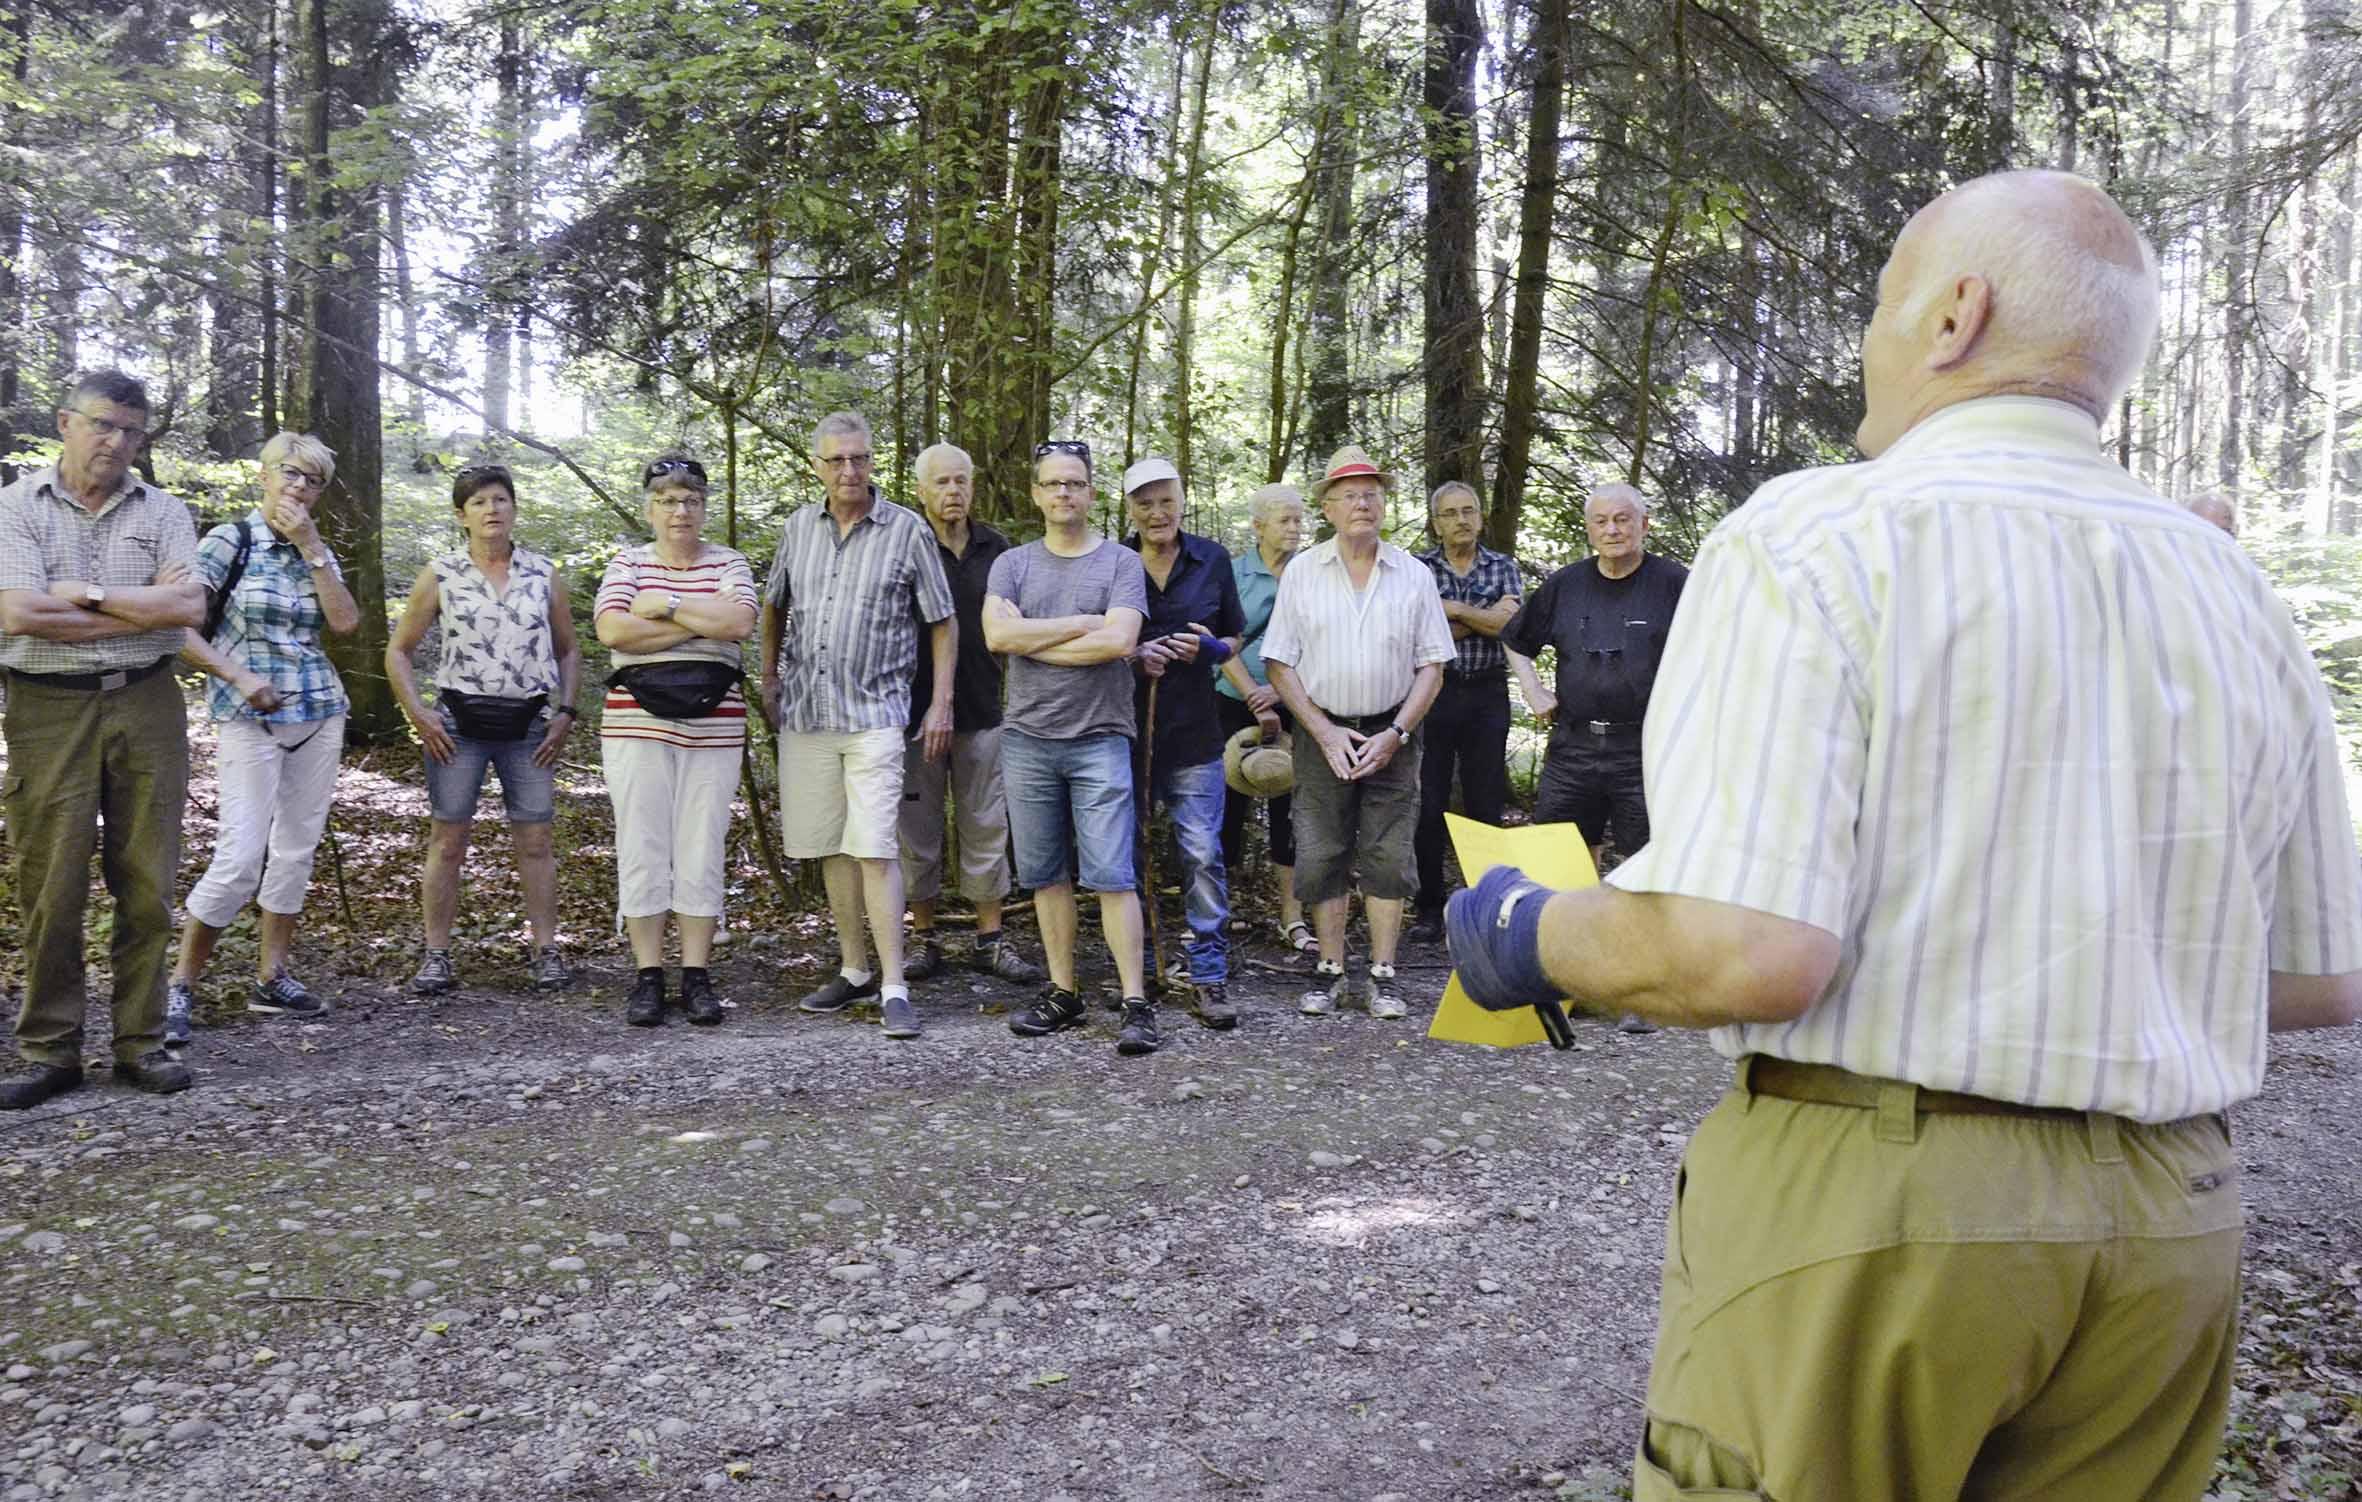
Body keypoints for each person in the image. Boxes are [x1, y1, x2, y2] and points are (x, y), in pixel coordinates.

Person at [1447, 169, 2362, 1501]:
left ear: (1953, 317)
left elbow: (1747, 947)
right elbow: (2321, 978)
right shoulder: (2230, 588)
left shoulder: (1820, 537)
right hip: (2172, 1222)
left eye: (1881, 306)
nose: (1865, 345)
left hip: (1880, 1212)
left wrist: (1525, 931)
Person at [0, 370, 203, 1108]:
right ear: (65, 423)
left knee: (147, 882)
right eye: (103, 425)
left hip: (146, 703)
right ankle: (50, 1050)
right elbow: (20, 615)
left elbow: (186, 610)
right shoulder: (17, 508)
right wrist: (138, 612)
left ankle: (140, 1042)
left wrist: (82, 598)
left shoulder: (165, 511)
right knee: (51, 886)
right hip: (46, 708)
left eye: (131, 430)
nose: (115, 441)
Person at [759, 411, 956, 1042]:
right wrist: (769, 678)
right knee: (832, 847)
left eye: (860, 459)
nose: (849, 471)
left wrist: (940, 703)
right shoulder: (798, 528)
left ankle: (896, 984)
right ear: (817, 466)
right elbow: (774, 603)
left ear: (874, 461)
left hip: (875, 716)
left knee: (874, 846)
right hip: (808, 716)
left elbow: (942, 622)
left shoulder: (907, 531)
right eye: (836, 460)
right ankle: (854, 969)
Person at [166, 431, 364, 1044]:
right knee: (240, 856)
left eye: (313, 479)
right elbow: (178, 624)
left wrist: (311, 546)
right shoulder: (233, 539)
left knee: (296, 850)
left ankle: (271, 977)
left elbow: (346, 624)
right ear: (265, 475)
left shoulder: (315, 547)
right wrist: (240, 675)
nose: (300, 486)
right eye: (291, 473)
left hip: (320, 714)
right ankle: (180, 986)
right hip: (248, 718)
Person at [1262, 445, 1455, 1021]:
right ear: (1328, 507)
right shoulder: (1303, 571)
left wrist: (1396, 732)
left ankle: (1383, 974)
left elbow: (1432, 666)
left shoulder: (1413, 575)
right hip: (1325, 736)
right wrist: (1321, 732)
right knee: (1321, 850)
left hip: (1392, 733)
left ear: (1384, 502)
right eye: (1349, 494)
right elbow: (1279, 662)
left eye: (1371, 492)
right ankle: (1329, 969)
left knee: (1389, 854)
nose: (1362, 503)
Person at [981, 440, 1156, 1055]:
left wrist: (1034, 639)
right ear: (1036, 494)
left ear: (1089, 492)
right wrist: (1082, 623)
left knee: (1113, 876)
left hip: (1100, 738)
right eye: (1053, 484)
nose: (1064, 494)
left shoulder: (1120, 564)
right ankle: (1064, 993)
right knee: (1046, 876)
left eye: (1075, 484)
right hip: (1028, 739)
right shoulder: (1012, 565)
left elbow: (1119, 643)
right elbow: (996, 635)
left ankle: (1136, 1002)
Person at [386, 462, 582, 997]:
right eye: (479, 503)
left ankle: (545, 950)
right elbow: (399, 650)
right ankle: (437, 955)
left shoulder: (543, 573)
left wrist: (565, 712)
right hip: (459, 725)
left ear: (514, 508)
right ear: (461, 516)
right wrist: (418, 712)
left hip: (528, 726)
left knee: (537, 838)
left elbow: (568, 648)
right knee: (448, 840)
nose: (492, 510)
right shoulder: (443, 573)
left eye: (500, 499)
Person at [595, 456, 759, 1029]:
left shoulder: (730, 562)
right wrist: (700, 620)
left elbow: (739, 624)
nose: (679, 510)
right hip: (635, 724)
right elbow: (613, 631)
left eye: (689, 499)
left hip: (715, 725)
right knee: (643, 843)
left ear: (703, 506)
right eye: (666, 500)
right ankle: (647, 976)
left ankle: (696, 975)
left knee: (701, 844)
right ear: (649, 508)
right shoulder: (626, 562)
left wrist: (663, 608)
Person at [897, 442, 1045, 987]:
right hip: (913, 712)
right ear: (921, 490)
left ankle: (990, 941)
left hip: (983, 708)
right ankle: (924, 939)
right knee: (917, 827)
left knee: (986, 824)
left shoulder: (999, 551)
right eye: (941, 482)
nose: (953, 491)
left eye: (961, 481)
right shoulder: (904, 545)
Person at [1122, 456, 1247, 1028]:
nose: (1157, 512)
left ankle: (1208, 972)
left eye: (1165, 500)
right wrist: (1133, 655)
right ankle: (1140, 968)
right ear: (1130, 509)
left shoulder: (1213, 559)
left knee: (1201, 853)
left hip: (1197, 732)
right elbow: (1098, 635)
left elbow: (1235, 637)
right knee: (1128, 854)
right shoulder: (1113, 560)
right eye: (1144, 503)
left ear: (1181, 501)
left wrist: (1212, 651)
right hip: (1123, 732)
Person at [1406, 481, 1544, 944]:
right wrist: (1484, 618)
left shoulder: (1503, 566)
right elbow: (1416, 630)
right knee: (1429, 802)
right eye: (1450, 513)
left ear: (1481, 517)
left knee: (1485, 802)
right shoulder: (1417, 568)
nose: (1461, 520)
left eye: (1468, 511)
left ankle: (1485, 903)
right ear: (1436, 522)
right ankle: (1428, 906)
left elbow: (1512, 627)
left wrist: (1454, 611)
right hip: (1433, 693)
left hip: (1487, 695)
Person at [1215, 483, 1314, 956]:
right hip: (1231, 700)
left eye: (1299, 519)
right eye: (1285, 520)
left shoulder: (1314, 574)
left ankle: (1291, 917)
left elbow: (1322, 640)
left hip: (1296, 701)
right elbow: (1219, 642)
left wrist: (1281, 691)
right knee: (1224, 810)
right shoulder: (1233, 574)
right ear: (1258, 527)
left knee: (1289, 811)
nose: (1296, 528)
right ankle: (1218, 911)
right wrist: (1253, 691)